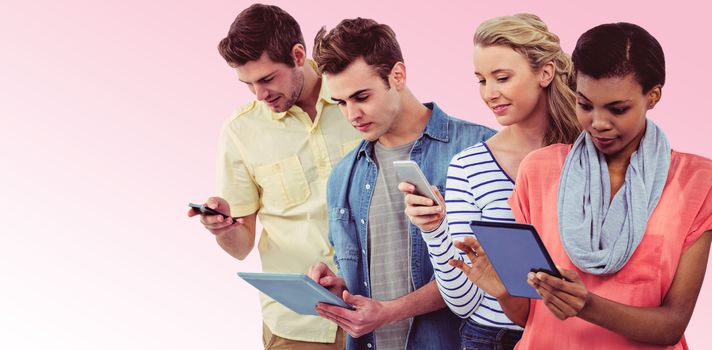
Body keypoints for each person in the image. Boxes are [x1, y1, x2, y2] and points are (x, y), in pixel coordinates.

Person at [452, 22, 712, 349]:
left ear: (653, 96)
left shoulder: (696, 181)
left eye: (618, 109)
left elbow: (671, 326)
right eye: (585, 105)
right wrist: (504, 291)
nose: (598, 123)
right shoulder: (540, 169)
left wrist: (588, 305)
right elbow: (532, 318)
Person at [307, 17, 496, 350]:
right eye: (341, 103)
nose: (351, 115)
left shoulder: (479, 149)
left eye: (361, 97)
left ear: (397, 75)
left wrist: (389, 312)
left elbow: (488, 273)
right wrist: (340, 290)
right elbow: (366, 272)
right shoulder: (343, 175)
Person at [400, 14, 580, 350]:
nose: (490, 93)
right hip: (493, 338)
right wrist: (435, 230)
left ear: (545, 72)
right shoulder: (469, 165)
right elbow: (463, 302)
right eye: (482, 80)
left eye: (502, 77)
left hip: (578, 332)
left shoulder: (589, 154)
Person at [187, 4, 360, 349]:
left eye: (267, 79)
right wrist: (224, 229)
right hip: (298, 326)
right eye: (248, 84)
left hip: (378, 309)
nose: (259, 94)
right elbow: (241, 247)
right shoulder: (241, 130)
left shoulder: (357, 100)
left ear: (298, 55)